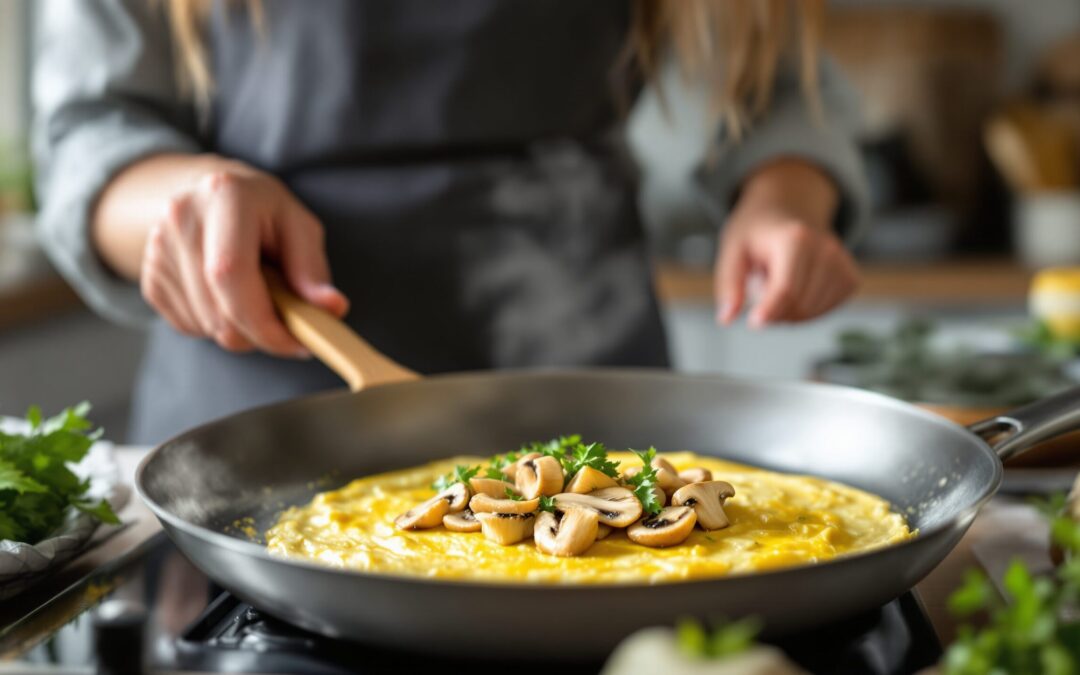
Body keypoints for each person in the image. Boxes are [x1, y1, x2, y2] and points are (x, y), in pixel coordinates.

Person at [34, 0, 866, 443]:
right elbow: (86, 135)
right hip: (251, 420)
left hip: (591, 396)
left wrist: (783, 200)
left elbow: (777, 83)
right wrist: (185, 198)